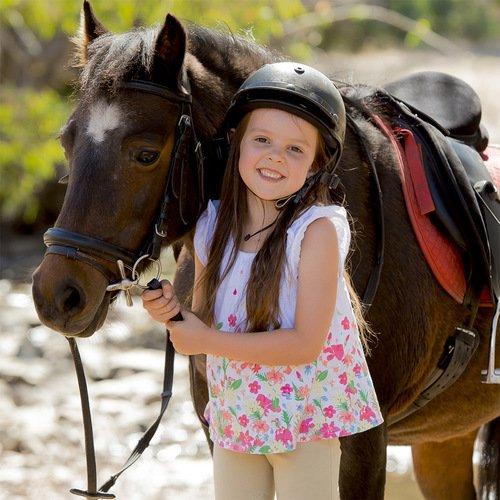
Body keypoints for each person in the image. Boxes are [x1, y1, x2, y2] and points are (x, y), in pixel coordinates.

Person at [142, 62, 383, 500]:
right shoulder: (212, 228)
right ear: (235, 143)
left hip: (303, 419)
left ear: (315, 164)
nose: (275, 156)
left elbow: (304, 344)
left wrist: (204, 340)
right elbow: (198, 330)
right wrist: (173, 315)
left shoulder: (316, 231)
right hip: (236, 417)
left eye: (296, 149)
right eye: (263, 140)